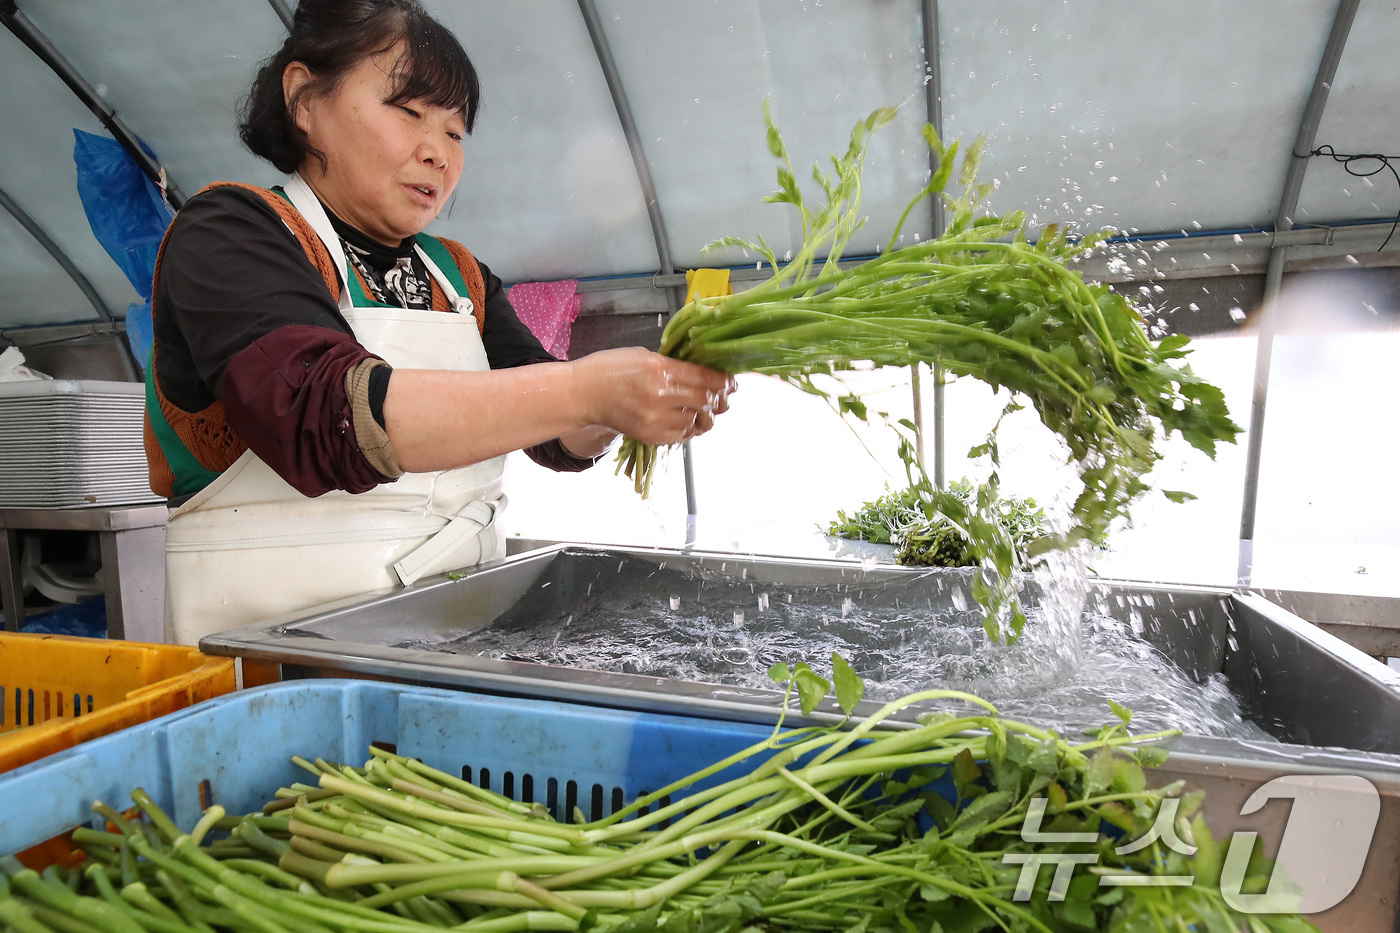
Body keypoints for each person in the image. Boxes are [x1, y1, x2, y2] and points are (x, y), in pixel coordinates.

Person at [144, 0, 732, 644]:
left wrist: (629, 402)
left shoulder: (459, 276)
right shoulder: (230, 232)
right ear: (305, 100)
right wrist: (589, 389)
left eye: (455, 131)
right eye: (409, 111)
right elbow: (325, 416)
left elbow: (554, 428)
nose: (438, 153)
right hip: (264, 662)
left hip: (454, 635)